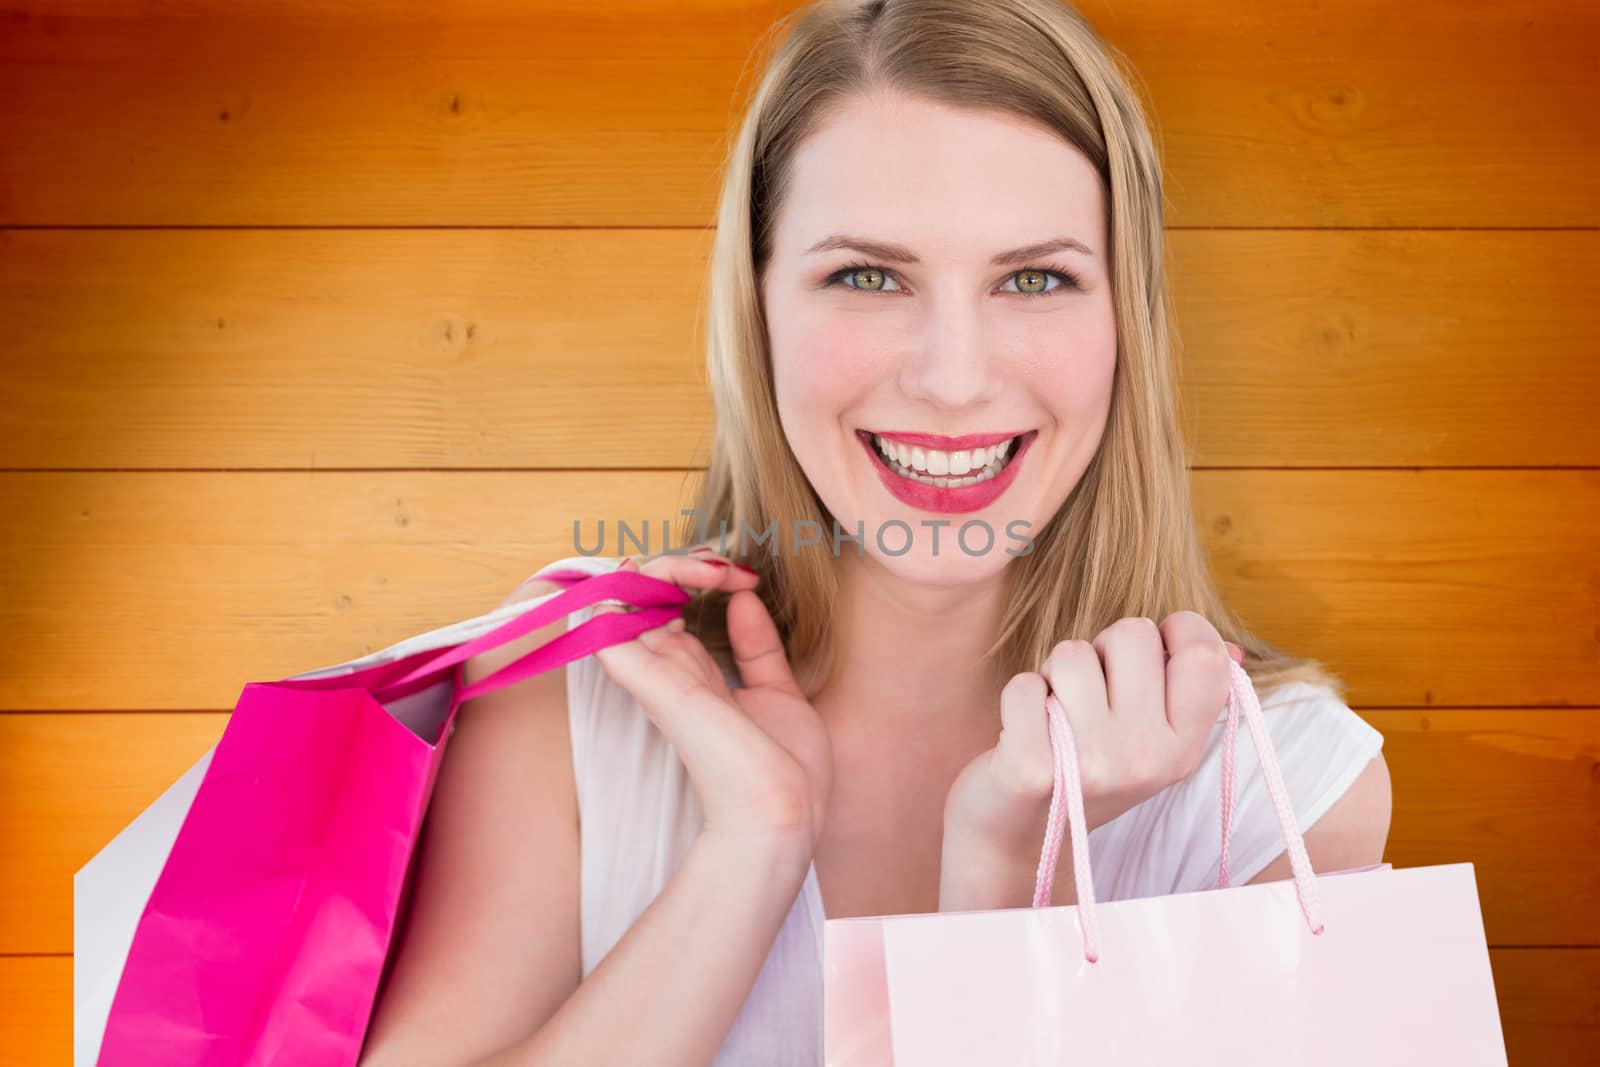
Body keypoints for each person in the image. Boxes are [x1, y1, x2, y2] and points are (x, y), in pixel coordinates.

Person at [358, 0, 1392, 1063]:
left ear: (1126, 316)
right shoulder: (575, 700)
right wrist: (748, 851)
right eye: (866, 275)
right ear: (754, 306)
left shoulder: (1275, 789)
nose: (952, 378)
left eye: (1035, 278)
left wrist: (996, 875)